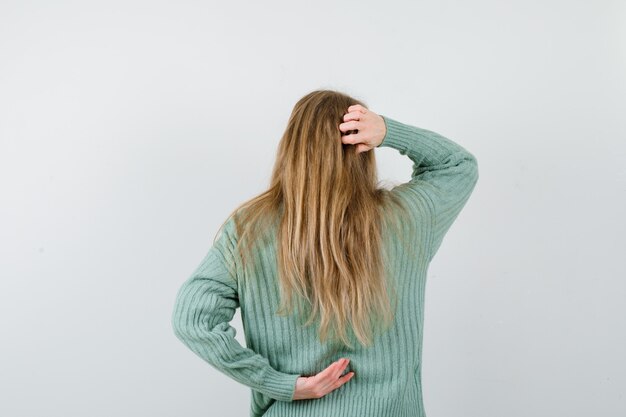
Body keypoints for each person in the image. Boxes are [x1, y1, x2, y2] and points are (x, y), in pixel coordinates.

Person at [171, 89, 479, 417]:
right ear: (364, 148)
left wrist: (281, 384)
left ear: (291, 146)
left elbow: (193, 320)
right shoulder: (406, 219)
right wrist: (388, 131)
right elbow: (457, 165)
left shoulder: (249, 228)